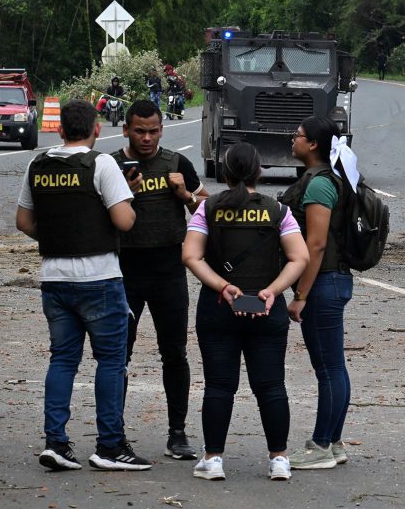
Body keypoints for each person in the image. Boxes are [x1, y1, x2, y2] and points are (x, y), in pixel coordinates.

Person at [15, 99, 152, 472]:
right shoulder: (101, 163)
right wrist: (128, 193)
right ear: (96, 130)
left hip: (54, 279)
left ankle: (56, 442)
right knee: (110, 361)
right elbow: (124, 221)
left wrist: (61, 236)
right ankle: (110, 446)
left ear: (58, 130)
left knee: (62, 360)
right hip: (99, 279)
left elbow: (24, 222)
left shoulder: (37, 164)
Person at [181, 143, 309, 482]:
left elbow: (191, 256)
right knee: (271, 385)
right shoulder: (278, 211)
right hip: (266, 309)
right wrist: (273, 290)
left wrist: (222, 286)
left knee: (219, 386)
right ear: (259, 172)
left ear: (224, 173)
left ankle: (213, 459)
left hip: (219, 309)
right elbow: (300, 258)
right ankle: (279, 459)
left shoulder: (207, 209)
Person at [112, 99, 209, 460]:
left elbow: (205, 212)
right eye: (140, 130)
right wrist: (125, 192)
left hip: (169, 270)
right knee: (118, 354)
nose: (147, 137)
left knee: (175, 353)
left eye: (153, 130)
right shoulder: (111, 165)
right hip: (124, 272)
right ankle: (114, 433)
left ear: (161, 130)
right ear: (126, 129)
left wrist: (185, 194)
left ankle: (178, 433)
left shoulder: (177, 164)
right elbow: (96, 215)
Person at [281, 117, 355, 470]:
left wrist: (301, 295)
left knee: (328, 369)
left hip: (323, 285)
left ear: (312, 145)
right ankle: (334, 442)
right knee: (333, 367)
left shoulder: (319, 186)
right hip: (332, 282)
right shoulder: (325, 180)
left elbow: (317, 243)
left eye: (297, 136)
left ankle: (321, 445)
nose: (292, 140)